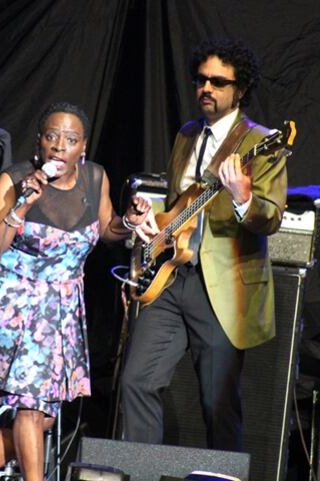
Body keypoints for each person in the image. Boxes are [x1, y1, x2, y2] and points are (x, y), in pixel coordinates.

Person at [0, 102, 154, 481]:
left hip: (59, 306)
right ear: (40, 142)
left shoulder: (96, 179)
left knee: (41, 419)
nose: (60, 146)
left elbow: (107, 230)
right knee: (30, 409)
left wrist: (129, 221)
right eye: (52, 137)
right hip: (15, 304)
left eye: (70, 139)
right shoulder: (14, 180)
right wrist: (24, 204)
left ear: (84, 148)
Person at [120, 39, 288, 451]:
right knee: (135, 381)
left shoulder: (261, 142)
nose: (206, 88)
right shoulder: (187, 134)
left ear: (240, 89)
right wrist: (152, 222)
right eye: (201, 80)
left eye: (218, 81)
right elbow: (181, 199)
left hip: (221, 286)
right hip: (170, 277)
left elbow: (271, 217)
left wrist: (244, 197)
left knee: (218, 403)